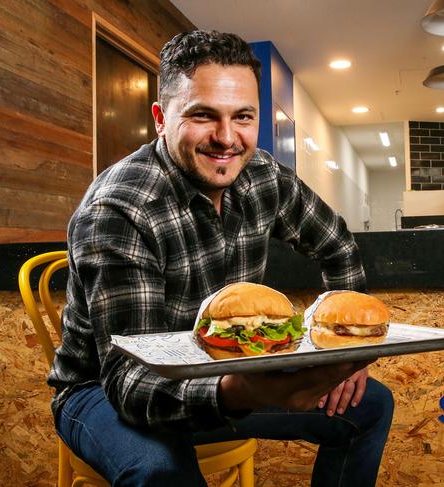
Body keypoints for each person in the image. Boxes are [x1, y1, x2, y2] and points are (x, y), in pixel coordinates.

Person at [49, 30, 393, 486]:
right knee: (161, 473)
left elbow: (337, 245)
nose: (227, 138)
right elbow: (131, 383)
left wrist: (353, 351)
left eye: (243, 116)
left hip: (226, 376)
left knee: (368, 407)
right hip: (102, 391)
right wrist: (242, 390)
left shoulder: (262, 176)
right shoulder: (120, 210)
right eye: (202, 115)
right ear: (160, 118)